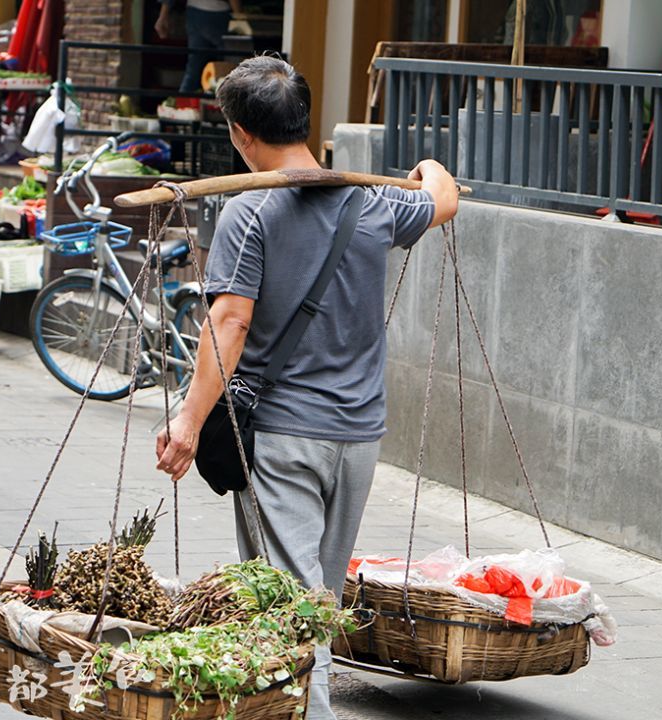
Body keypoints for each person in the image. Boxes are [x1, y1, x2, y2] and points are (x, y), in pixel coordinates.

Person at [154, 55, 458, 720]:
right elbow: (444, 198)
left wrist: (187, 420)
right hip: (358, 438)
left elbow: (229, 323)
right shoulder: (373, 200)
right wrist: (427, 171)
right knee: (312, 598)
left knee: (290, 609)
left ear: (240, 133)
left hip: (286, 440)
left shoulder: (250, 211)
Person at [155, 0, 244, 93]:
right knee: (231, 64)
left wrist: (163, 16)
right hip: (218, 12)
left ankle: (182, 101)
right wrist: (240, 17)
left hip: (193, 12)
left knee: (193, 67)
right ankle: (231, 102)